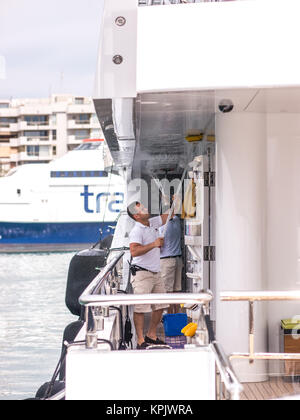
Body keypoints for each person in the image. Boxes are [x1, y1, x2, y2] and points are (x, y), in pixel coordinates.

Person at [127, 201, 171, 349]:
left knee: (161, 305)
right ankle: (140, 340)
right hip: (141, 273)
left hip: (156, 272)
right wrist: (154, 244)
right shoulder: (136, 231)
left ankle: (151, 335)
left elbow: (167, 216)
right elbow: (134, 251)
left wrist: (171, 202)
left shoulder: (152, 223)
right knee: (140, 308)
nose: (146, 209)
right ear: (137, 216)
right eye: (143, 209)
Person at [159, 215, 183, 314]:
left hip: (166, 260)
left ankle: (170, 316)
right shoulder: (177, 221)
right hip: (178, 259)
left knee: (167, 291)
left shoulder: (162, 227)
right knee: (176, 290)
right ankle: (177, 314)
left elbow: (159, 245)